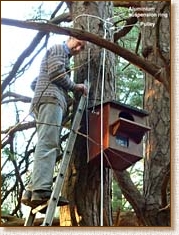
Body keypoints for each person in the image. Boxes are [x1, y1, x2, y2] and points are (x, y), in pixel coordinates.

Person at [21, 37, 87, 208]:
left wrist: (63, 97)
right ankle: (41, 189)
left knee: (45, 141)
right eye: (78, 43)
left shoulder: (58, 54)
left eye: (82, 47)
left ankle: (31, 189)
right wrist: (75, 87)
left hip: (46, 100)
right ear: (70, 38)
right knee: (49, 143)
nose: (79, 48)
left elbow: (35, 83)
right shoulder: (59, 49)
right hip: (50, 101)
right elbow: (56, 73)